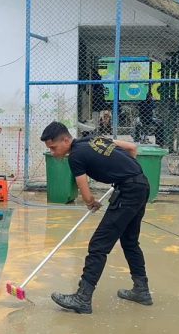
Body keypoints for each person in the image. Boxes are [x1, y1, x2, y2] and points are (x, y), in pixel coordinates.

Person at [40, 121, 152, 314]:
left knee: (99, 244)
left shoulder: (75, 156)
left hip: (128, 191)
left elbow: (85, 192)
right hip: (141, 184)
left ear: (66, 140)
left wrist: (92, 202)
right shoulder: (92, 139)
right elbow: (131, 148)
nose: (52, 152)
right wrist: (124, 175)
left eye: (53, 147)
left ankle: (83, 298)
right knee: (130, 241)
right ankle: (141, 290)